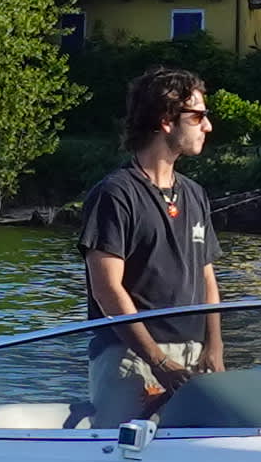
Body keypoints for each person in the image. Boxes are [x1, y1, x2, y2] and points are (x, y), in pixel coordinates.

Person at [79, 62, 220, 416]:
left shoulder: (195, 194)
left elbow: (207, 277)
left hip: (193, 354)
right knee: (124, 459)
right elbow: (107, 289)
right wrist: (157, 360)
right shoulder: (115, 194)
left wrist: (214, 346)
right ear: (166, 120)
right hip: (131, 359)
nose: (208, 125)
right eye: (198, 116)